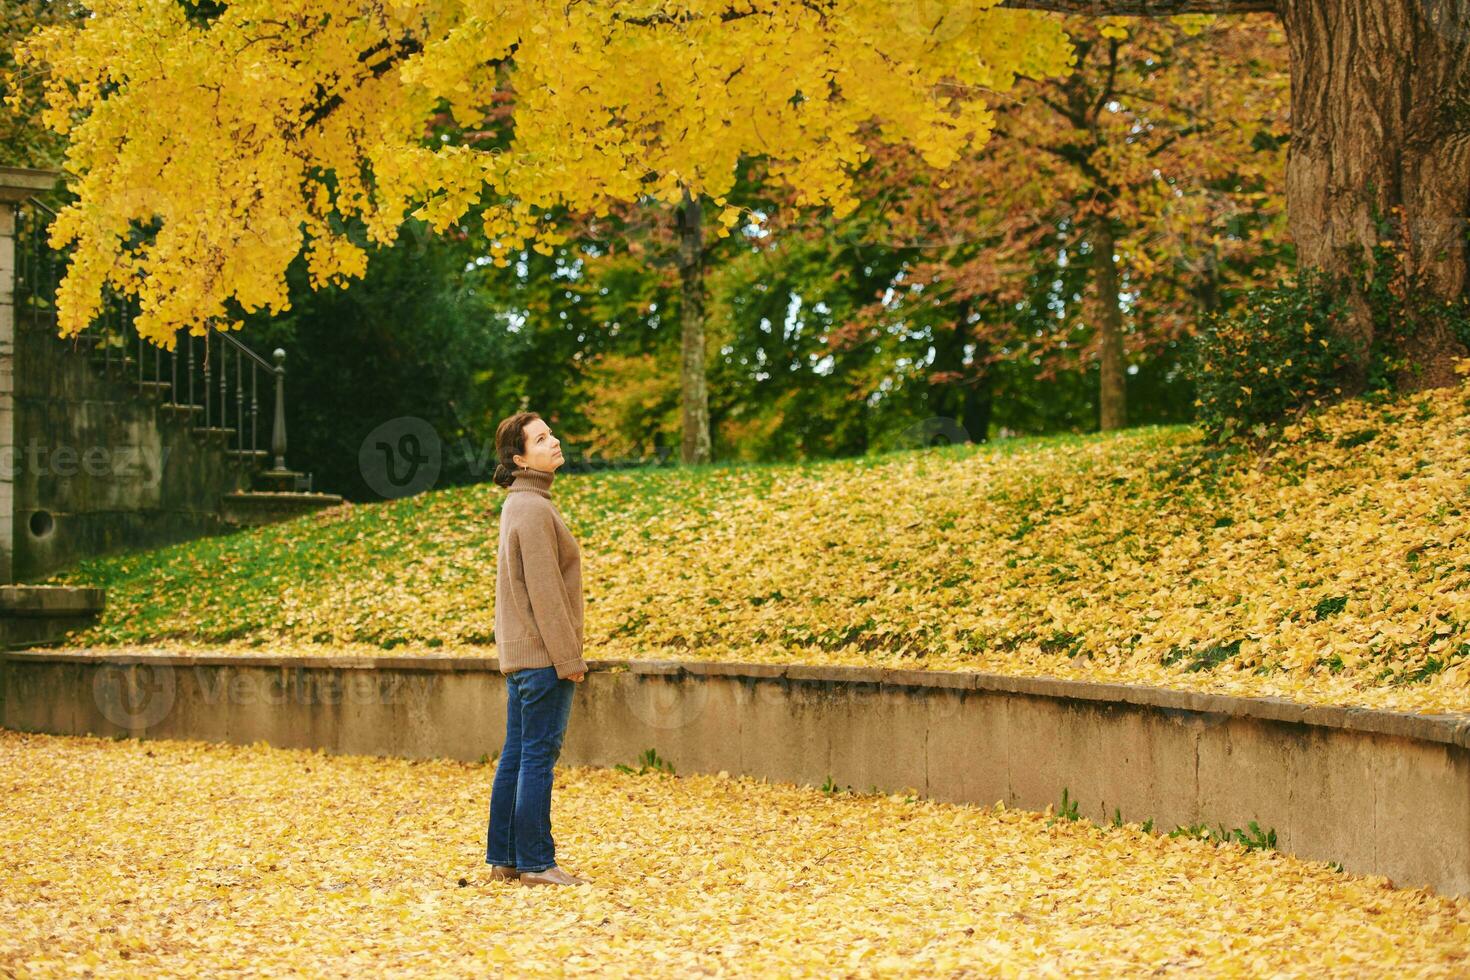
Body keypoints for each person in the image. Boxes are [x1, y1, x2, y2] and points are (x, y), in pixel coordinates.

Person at [485, 411, 590, 887]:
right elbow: (546, 592)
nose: (555, 441)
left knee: (517, 755)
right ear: (519, 456)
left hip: (524, 654)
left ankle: (505, 858)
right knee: (535, 757)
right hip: (542, 656)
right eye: (542, 438)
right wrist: (569, 659)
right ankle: (535, 862)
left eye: (552, 433)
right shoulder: (531, 506)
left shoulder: (522, 502)